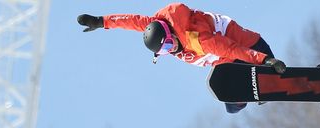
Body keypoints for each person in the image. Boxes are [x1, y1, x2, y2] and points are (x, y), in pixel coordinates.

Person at [77, 3, 286, 114]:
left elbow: (231, 49)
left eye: (169, 44)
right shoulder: (157, 23)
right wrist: (101, 21)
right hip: (231, 58)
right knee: (231, 106)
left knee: (231, 93)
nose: (171, 50)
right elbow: (131, 21)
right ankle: (254, 88)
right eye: (166, 51)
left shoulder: (196, 39)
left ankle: (262, 79)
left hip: (250, 48)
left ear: (171, 35)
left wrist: (264, 60)